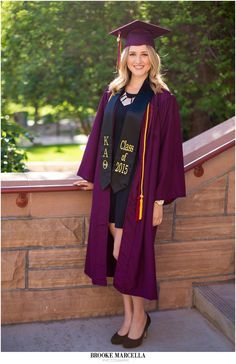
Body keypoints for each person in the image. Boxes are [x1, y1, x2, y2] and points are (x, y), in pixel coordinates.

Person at [73, 20, 186, 349]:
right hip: (111, 190)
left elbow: (168, 154)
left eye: (144, 54)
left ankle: (140, 319)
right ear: (124, 57)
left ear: (153, 57)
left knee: (129, 254)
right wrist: (91, 176)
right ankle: (130, 317)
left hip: (141, 191)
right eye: (132, 53)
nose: (138, 60)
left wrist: (158, 201)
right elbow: (98, 137)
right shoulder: (112, 94)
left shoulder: (163, 101)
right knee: (119, 256)